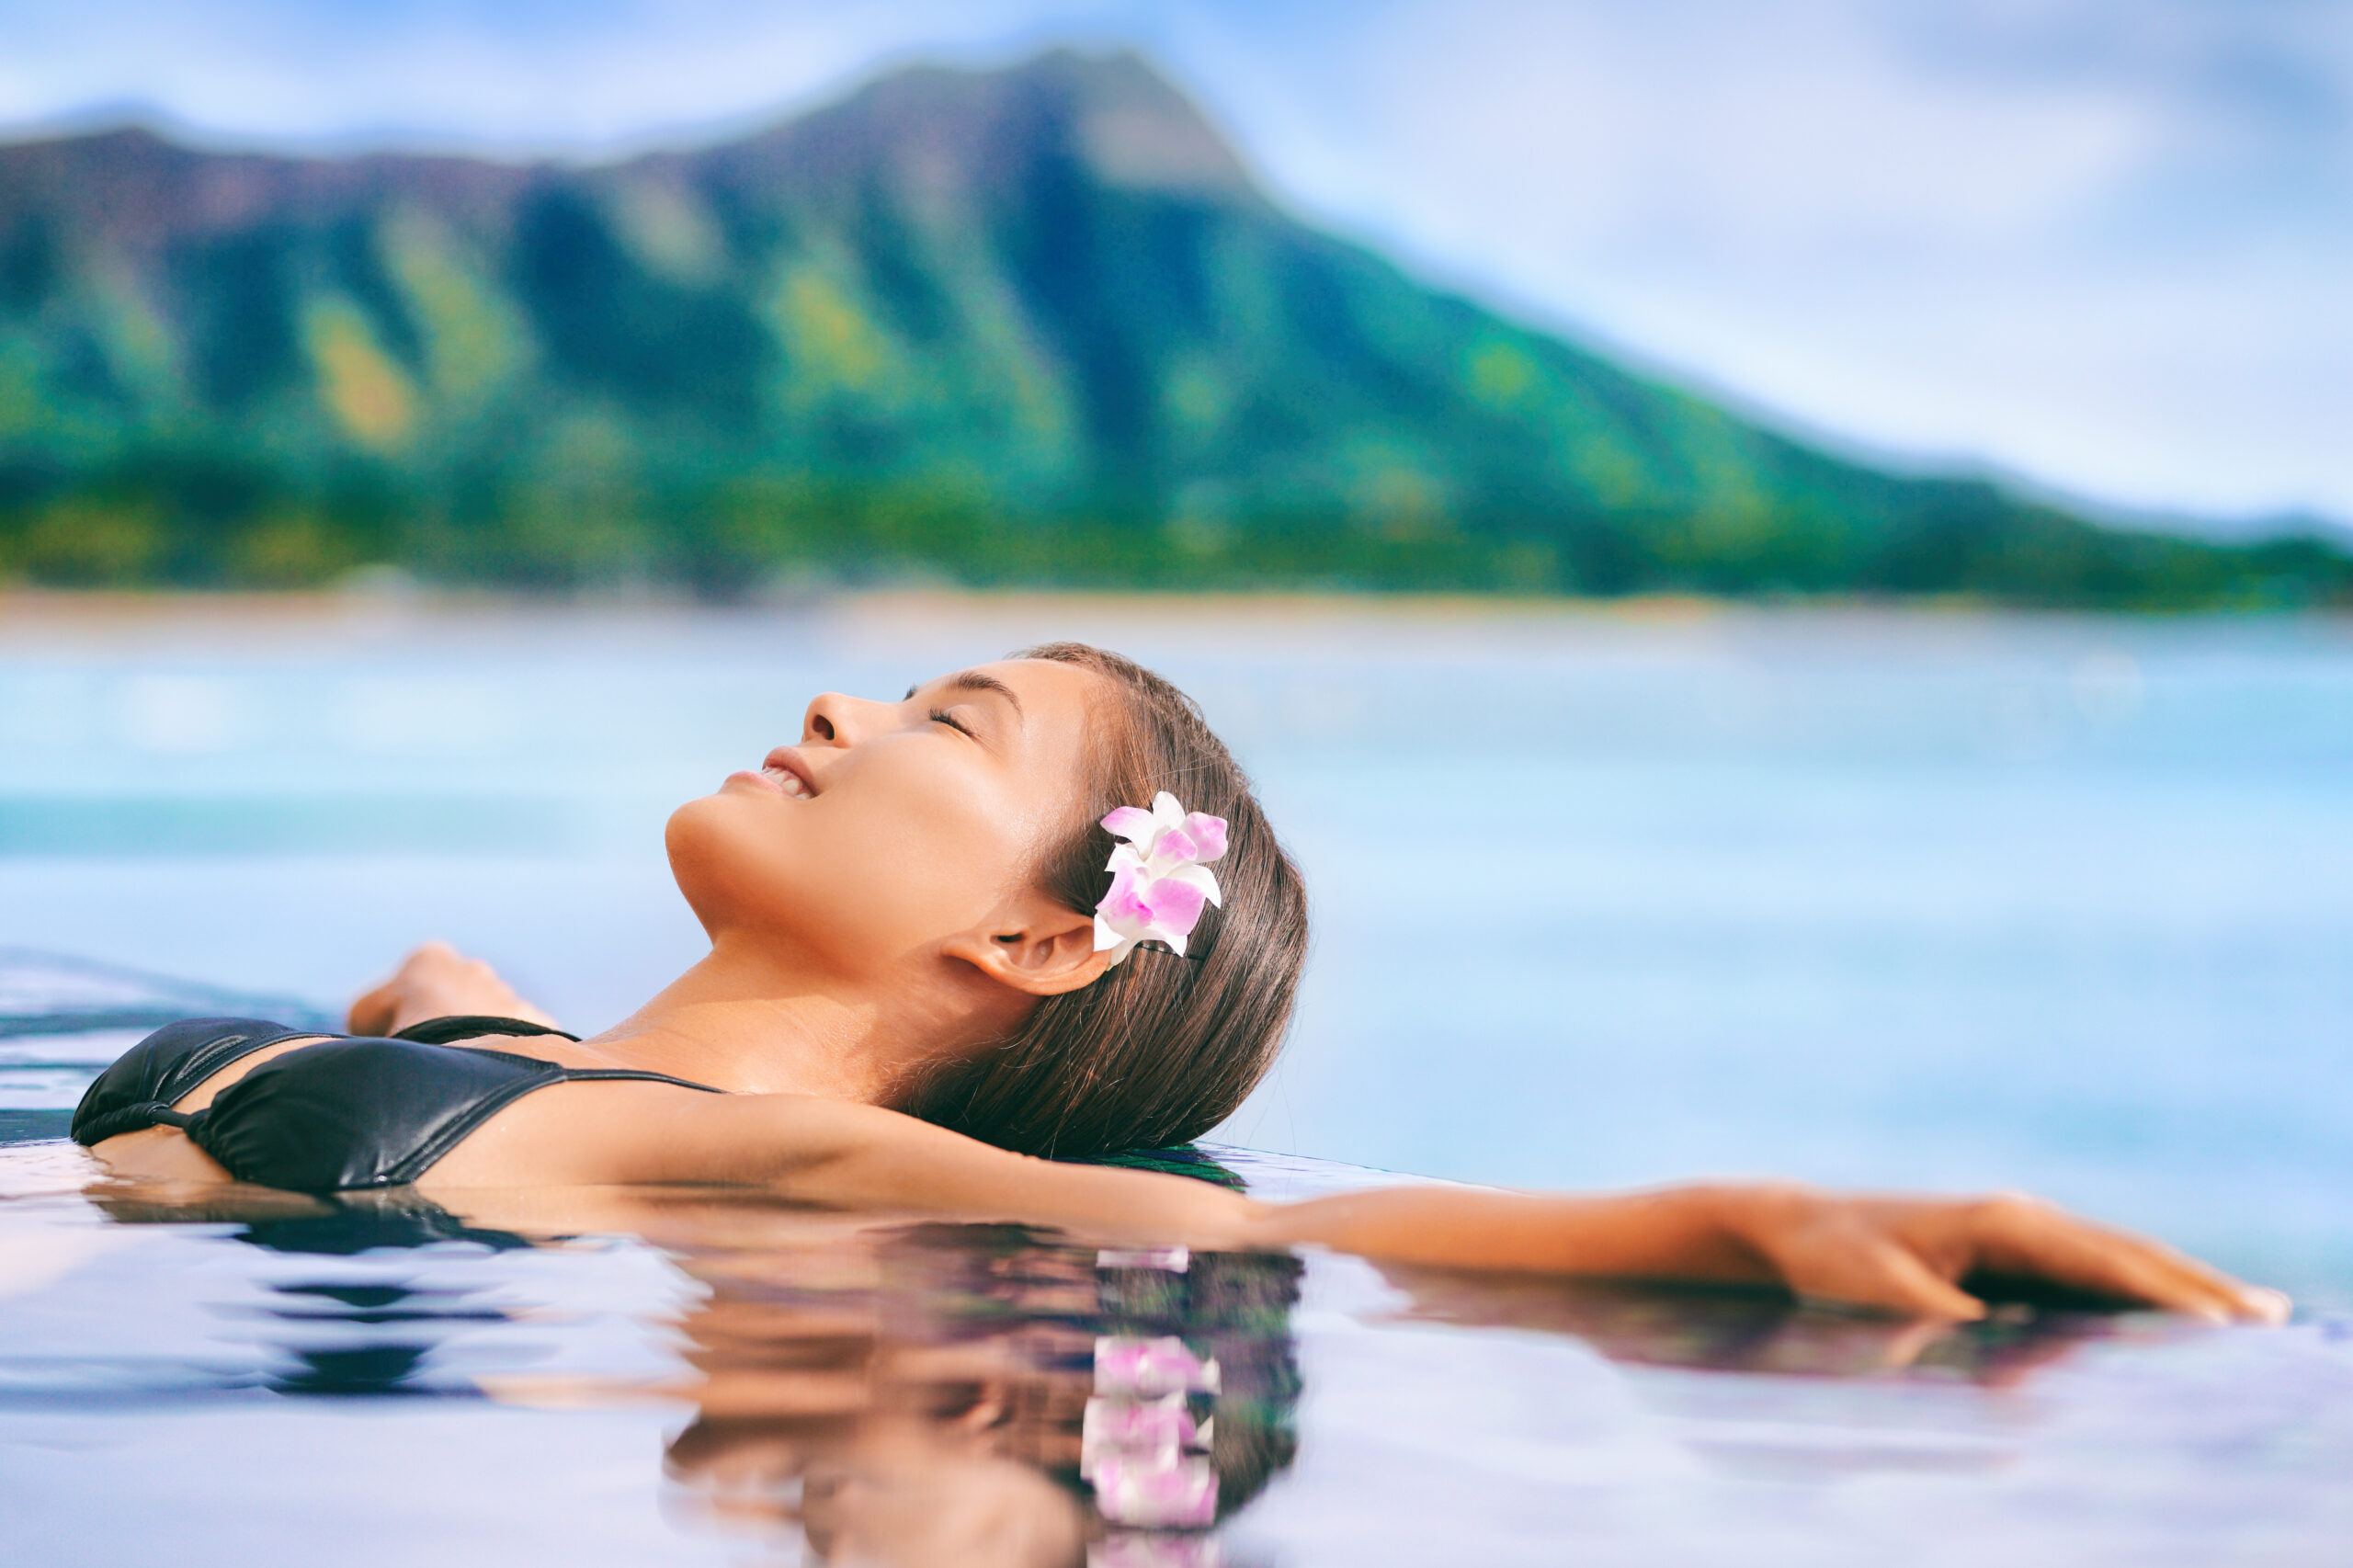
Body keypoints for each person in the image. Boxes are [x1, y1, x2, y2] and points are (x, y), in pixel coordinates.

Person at [74, 642, 2287, 1325]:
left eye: (942, 723)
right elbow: (470, 1029)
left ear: (1036, 939)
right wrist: (443, 1004)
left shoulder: (783, 1153)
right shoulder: (516, 1050)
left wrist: (1743, 1225)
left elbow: (1266, 1229)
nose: (839, 707)